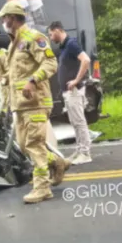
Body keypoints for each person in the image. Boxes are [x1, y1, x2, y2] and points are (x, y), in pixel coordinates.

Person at [0, 1, 70, 204]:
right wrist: (4, 78)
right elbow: (18, 71)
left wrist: (33, 80)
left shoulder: (33, 38)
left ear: (13, 17)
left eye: (4, 17)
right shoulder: (14, 43)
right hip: (20, 105)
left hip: (36, 102)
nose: (2, 21)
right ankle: (57, 162)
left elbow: (50, 62)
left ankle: (42, 188)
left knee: (34, 145)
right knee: (24, 146)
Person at [47, 22, 93, 165]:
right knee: (74, 121)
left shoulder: (71, 44)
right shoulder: (64, 46)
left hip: (74, 90)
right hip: (68, 92)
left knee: (79, 121)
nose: (50, 37)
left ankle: (85, 153)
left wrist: (76, 80)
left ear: (57, 30)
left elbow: (86, 60)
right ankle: (79, 150)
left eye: (50, 34)